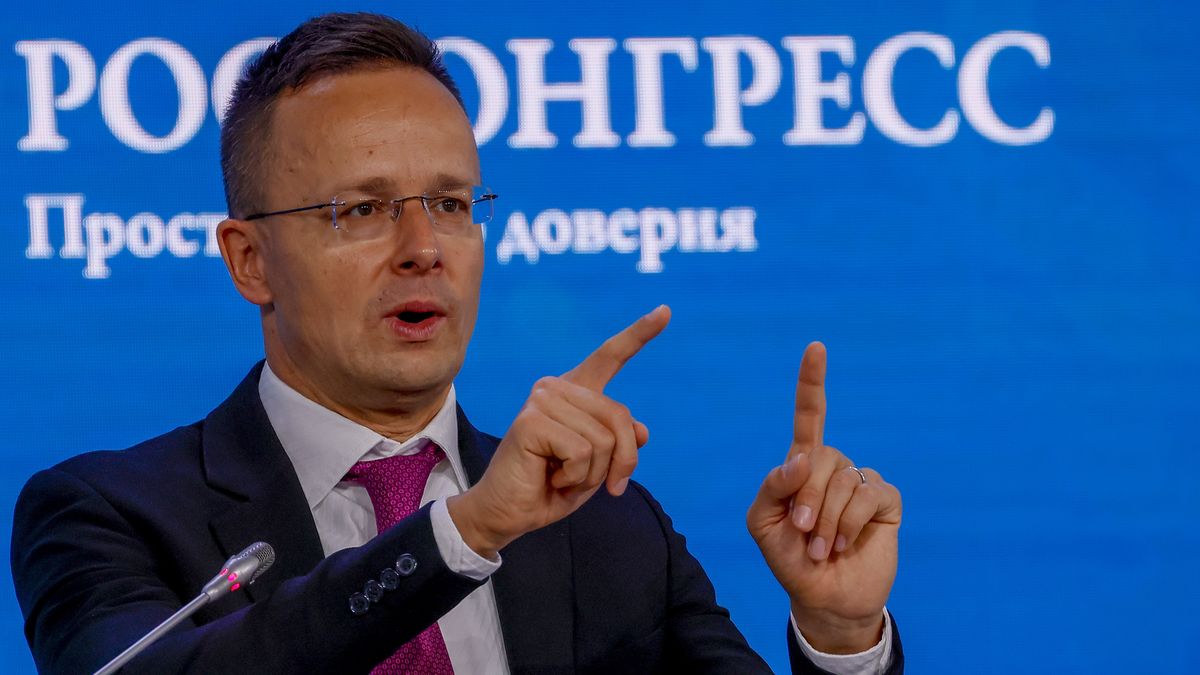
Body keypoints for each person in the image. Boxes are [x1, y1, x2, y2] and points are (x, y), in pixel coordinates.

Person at [11, 12, 904, 674]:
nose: (423, 247)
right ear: (251, 261)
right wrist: (466, 531)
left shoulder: (607, 525)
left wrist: (840, 637)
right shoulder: (103, 514)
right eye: (361, 209)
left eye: (449, 203)